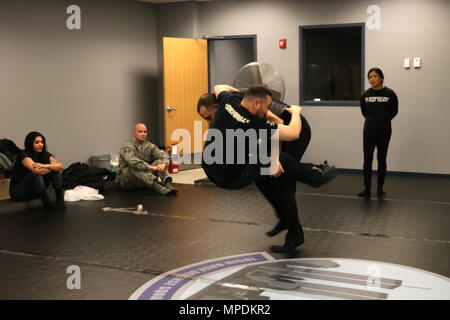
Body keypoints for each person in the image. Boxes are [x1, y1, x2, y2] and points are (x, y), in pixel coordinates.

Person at [198, 85, 336, 253]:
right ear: (256, 103)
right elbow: (291, 131)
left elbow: (218, 86)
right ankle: (313, 179)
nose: (210, 123)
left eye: (209, 117)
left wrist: (273, 158)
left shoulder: (228, 102)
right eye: (266, 106)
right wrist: (296, 112)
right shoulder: (255, 122)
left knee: (276, 176)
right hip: (231, 173)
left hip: (215, 168)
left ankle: (292, 218)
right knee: (275, 169)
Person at [358, 68, 398, 198]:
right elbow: (364, 112)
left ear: (381, 78)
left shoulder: (390, 94)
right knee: (367, 159)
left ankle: (380, 188)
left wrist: (383, 121)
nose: (372, 79)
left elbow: (394, 111)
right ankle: (367, 188)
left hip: (384, 131)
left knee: (381, 159)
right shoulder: (365, 95)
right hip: (369, 131)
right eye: (370, 77)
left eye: (375, 76)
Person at [9, 131, 65, 210]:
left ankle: (61, 202)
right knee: (36, 174)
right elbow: (37, 171)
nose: (40, 144)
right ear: (30, 143)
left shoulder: (45, 154)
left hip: (34, 192)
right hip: (19, 193)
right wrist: (52, 168)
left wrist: (45, 165)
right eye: (37, 142)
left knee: (55, 171)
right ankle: (47, 204)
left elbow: (60, 166)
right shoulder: (24, 155)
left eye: (42, 142)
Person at [115, 123, 177, 195]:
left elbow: (164, 155)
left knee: (160, 162)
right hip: (128, 181)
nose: (143, 134)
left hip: (144, 179)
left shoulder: (149, 145)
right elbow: (133, 161)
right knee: (134, 167)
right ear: (134, 133)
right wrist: (151, 167)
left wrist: (163, 164)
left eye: (145, 132)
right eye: (140, 131)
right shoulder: (127, 146)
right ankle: (159, 188)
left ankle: (168, 184)